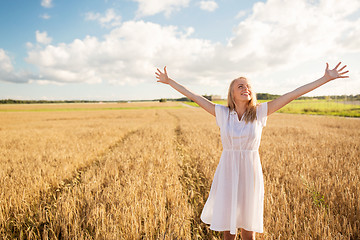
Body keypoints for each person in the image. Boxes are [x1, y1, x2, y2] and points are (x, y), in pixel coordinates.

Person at [155, 62, 349, 240]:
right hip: (228, 171)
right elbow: (194, 96)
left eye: (248, 86)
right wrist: (169, 81)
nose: (245, 88)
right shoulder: (223, 113)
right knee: (228, 229)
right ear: (231, 93)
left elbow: (291, 94)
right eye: (240, 86)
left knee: (249, 229)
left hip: (251, 171)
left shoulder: (260, 112)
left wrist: (325, 79)